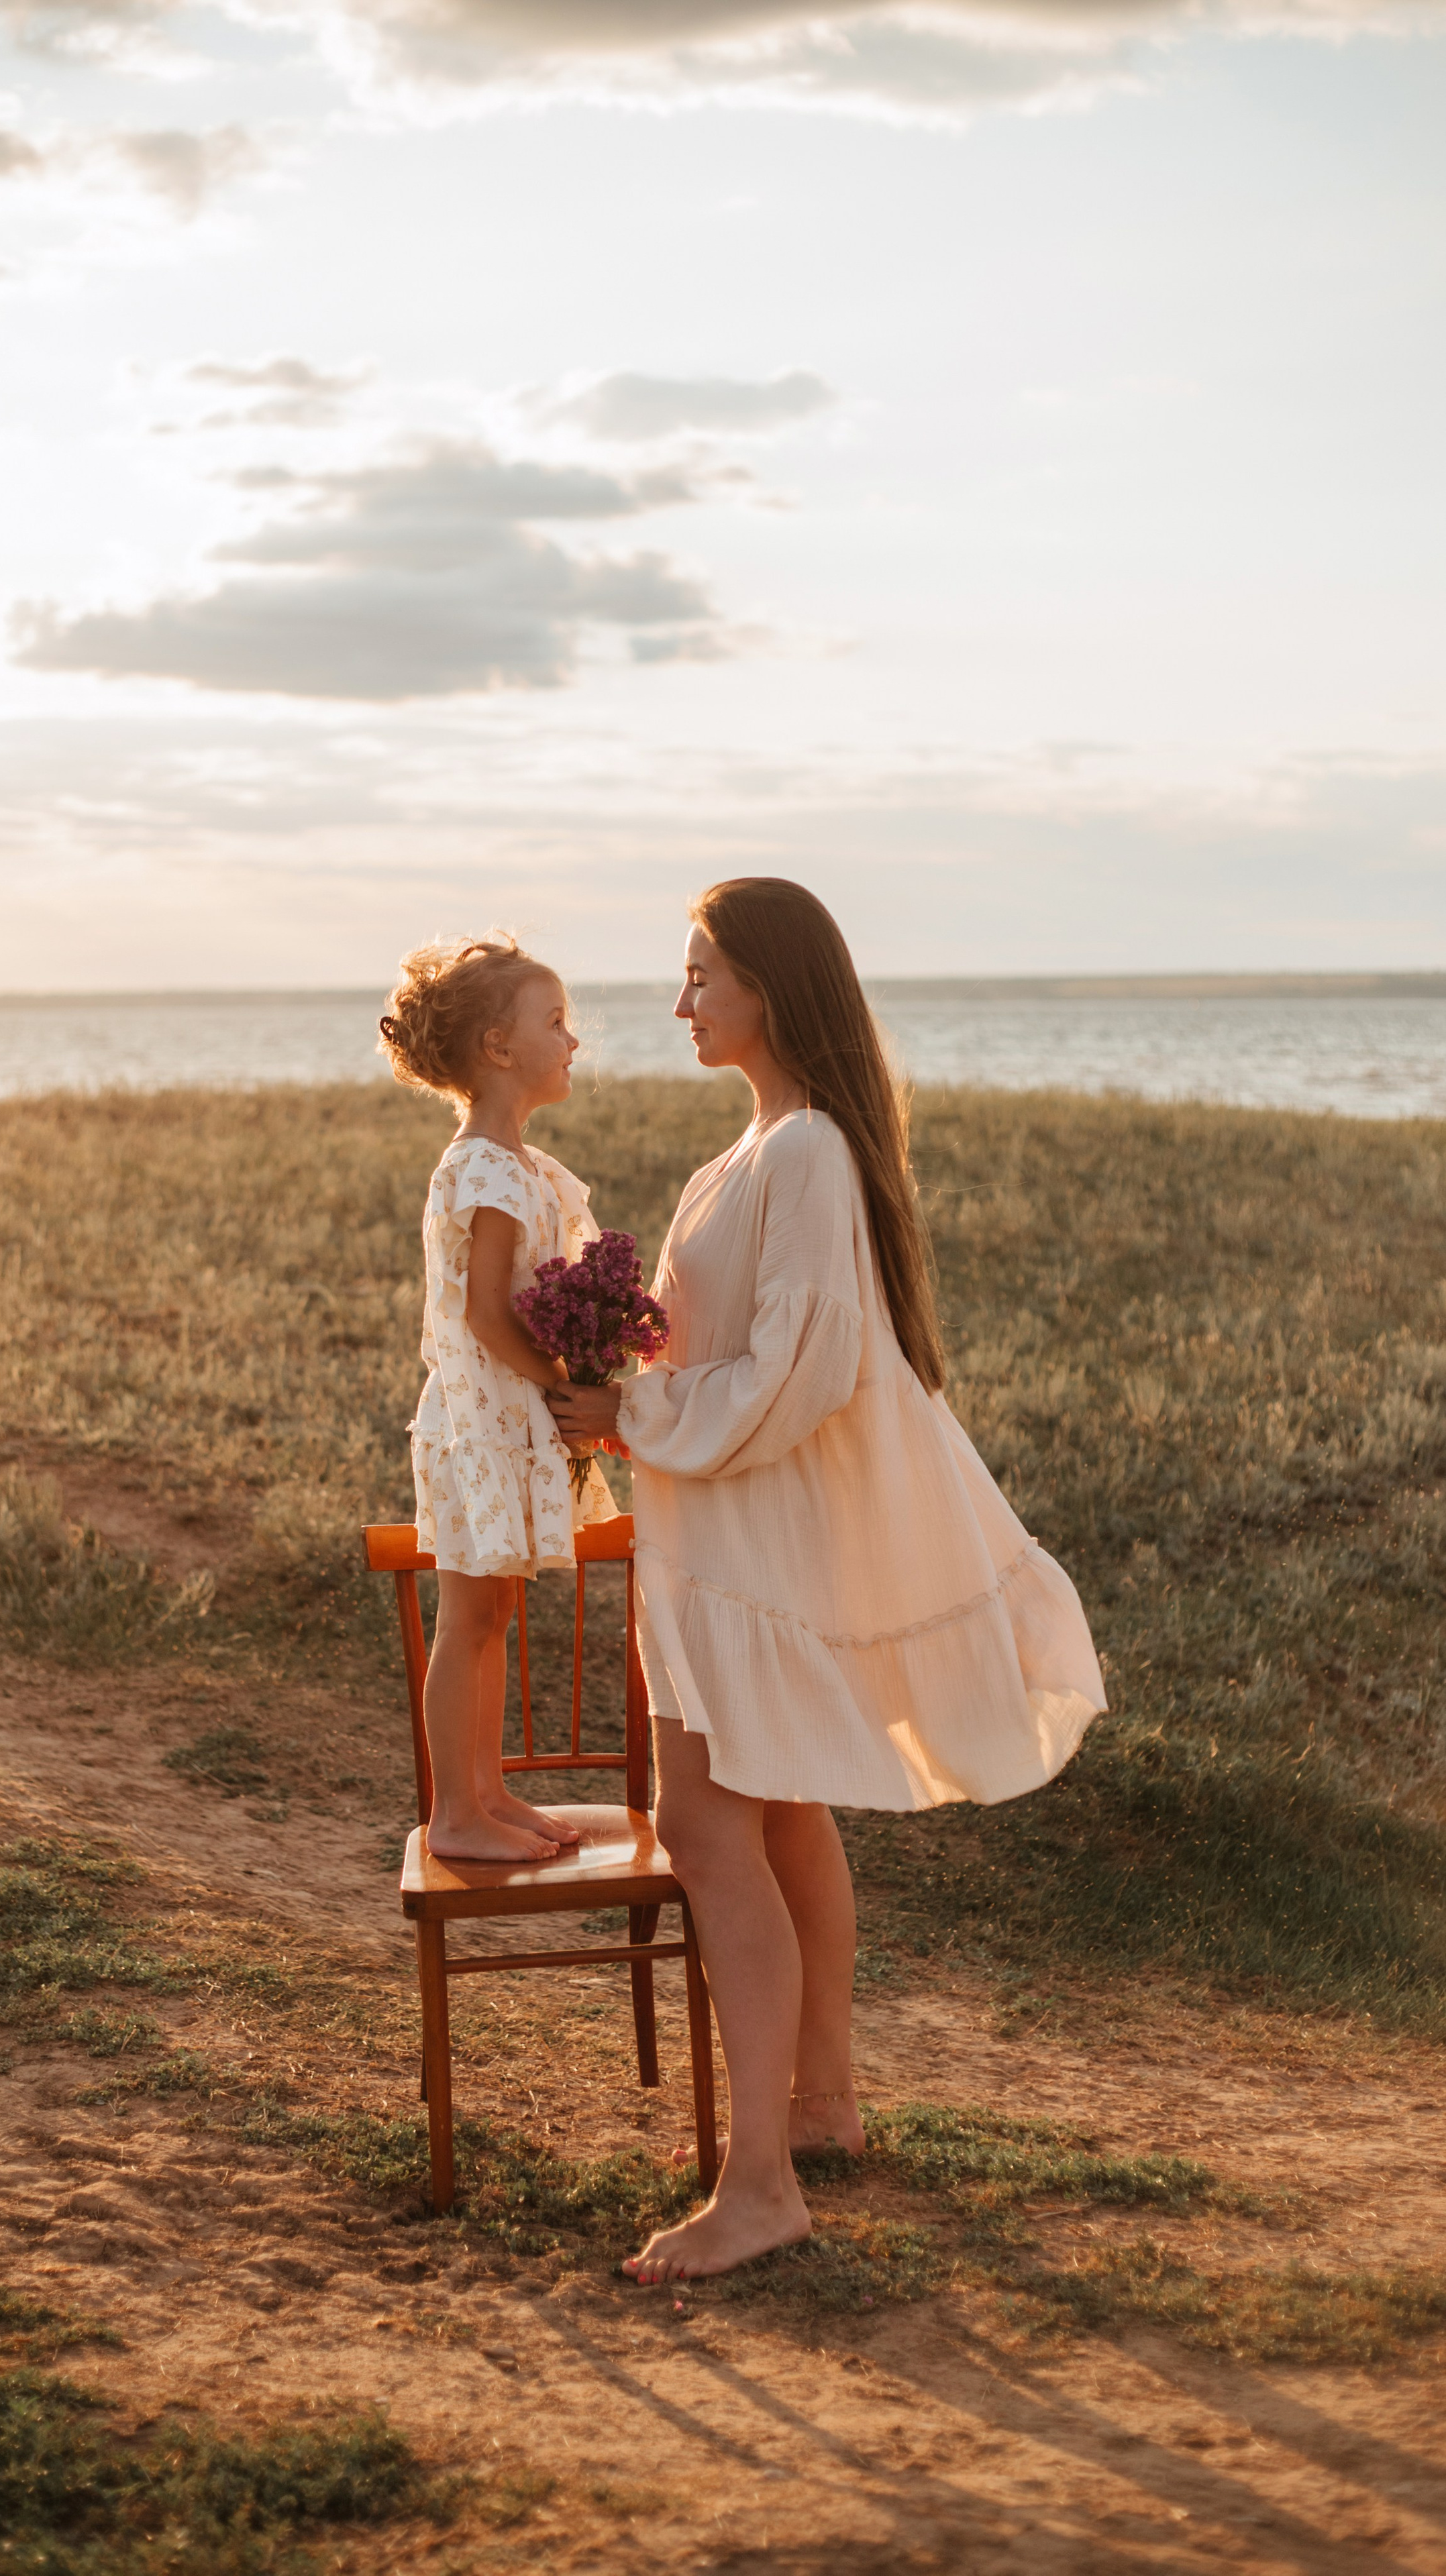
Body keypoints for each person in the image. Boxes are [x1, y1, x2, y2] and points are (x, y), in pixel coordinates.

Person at [548, 879, 1106, 2282]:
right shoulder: (734, 1162)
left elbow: (801, 1374)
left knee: (705, 1829)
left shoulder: (803, 1154)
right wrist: (598, 1351)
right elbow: (718, 1346)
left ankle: (756, 2188)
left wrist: (627, 1418)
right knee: (780, 1817)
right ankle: (821, 2105)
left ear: (770, 991)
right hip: (732, 1542)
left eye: (699, 977)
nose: (679, 1005)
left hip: (753, 1554)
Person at [380, 934, 620, 1864]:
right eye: (555, 1022)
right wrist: (564, 1383)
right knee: (469, 1619)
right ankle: (455, 1814)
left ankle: (486, 1790)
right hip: (483, 1421)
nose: (573, 1040)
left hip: (505, 1422)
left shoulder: (518, 1162)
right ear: (497, 1047)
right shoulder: (483, 1165)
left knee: (493, 1615)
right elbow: (484, 1315)